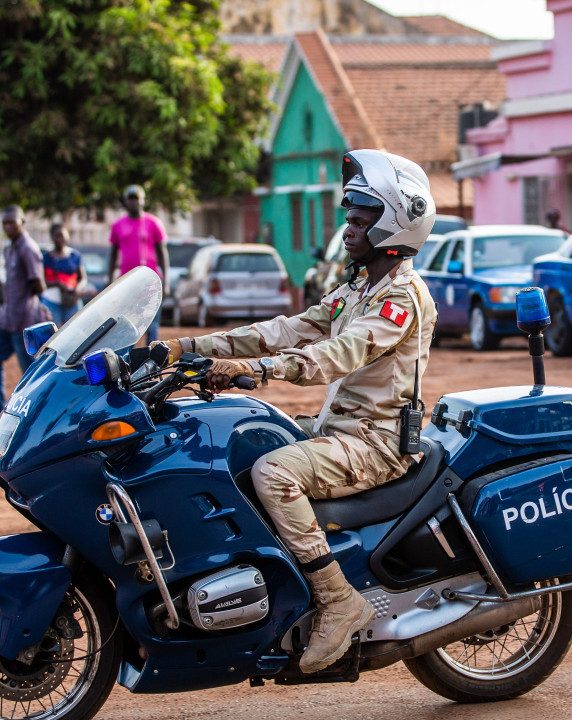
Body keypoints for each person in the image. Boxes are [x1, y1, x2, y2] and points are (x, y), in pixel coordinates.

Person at [152, 150, 438, 674]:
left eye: (362, 215)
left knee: (274, 472)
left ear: (398, 222)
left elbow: (342, 352)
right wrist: (186, 347)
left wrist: (261, 371)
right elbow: (287, 330)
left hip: (376, 443)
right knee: (235, 445)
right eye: (348, 213)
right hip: (340, 430)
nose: (348, 224)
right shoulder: (358, 287)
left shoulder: (402, 297)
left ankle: (337, 600)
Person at [0, 205, 48, 422]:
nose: (8, 227)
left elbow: (39, 285)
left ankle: (36, 418)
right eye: (5, 223)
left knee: (30, 374)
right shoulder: (9, 248)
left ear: (22, 222)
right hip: (6, 318)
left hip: (24, 320)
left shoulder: (28, 248)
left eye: (12, 222)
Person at [108, 184, 168, 344]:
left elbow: (162, 252)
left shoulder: (153, 222)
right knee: (128, 322)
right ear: (126, 202)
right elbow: (113, 254)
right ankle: (127, 358)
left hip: (150, 281)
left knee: (152, 322)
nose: (134, 203)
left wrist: (166, 282)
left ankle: (151, 357)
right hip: (127, 282)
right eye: (130, 199)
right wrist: (109, 280)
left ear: (143, 201)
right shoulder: (118, 225)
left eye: (137, 199)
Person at [41, 223, 86, 326]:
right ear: (52, 237)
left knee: (74, 330)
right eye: (57, 236)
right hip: (51, 300)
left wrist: (78, 288)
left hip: (72, 299)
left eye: (62, 235)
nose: (60, 239)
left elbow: (83, 278)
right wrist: (58, 284)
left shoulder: (74, 255)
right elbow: (41, 281)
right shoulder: (46, 257)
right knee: (51, 333)